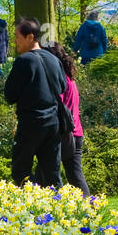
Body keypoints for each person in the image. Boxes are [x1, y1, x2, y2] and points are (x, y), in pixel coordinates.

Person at [4, 18, 66, 188]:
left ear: (30, 37)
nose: (15, 41)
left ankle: (31, 204)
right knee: (52, 173)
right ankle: (58, 208)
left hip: (30, 122)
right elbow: (63, 87)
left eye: (17, 36)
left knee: (20, 171)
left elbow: (10, 95)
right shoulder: (54, 60)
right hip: (53, 122)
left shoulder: (24, 61)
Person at [45, 42, 90, 197]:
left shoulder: (60, 79)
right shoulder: (70, 77)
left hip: (65, 134)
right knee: (74, 175)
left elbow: (56, 105)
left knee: (53, 174)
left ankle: (87, 207)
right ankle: (89, 208)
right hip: (76, 132)